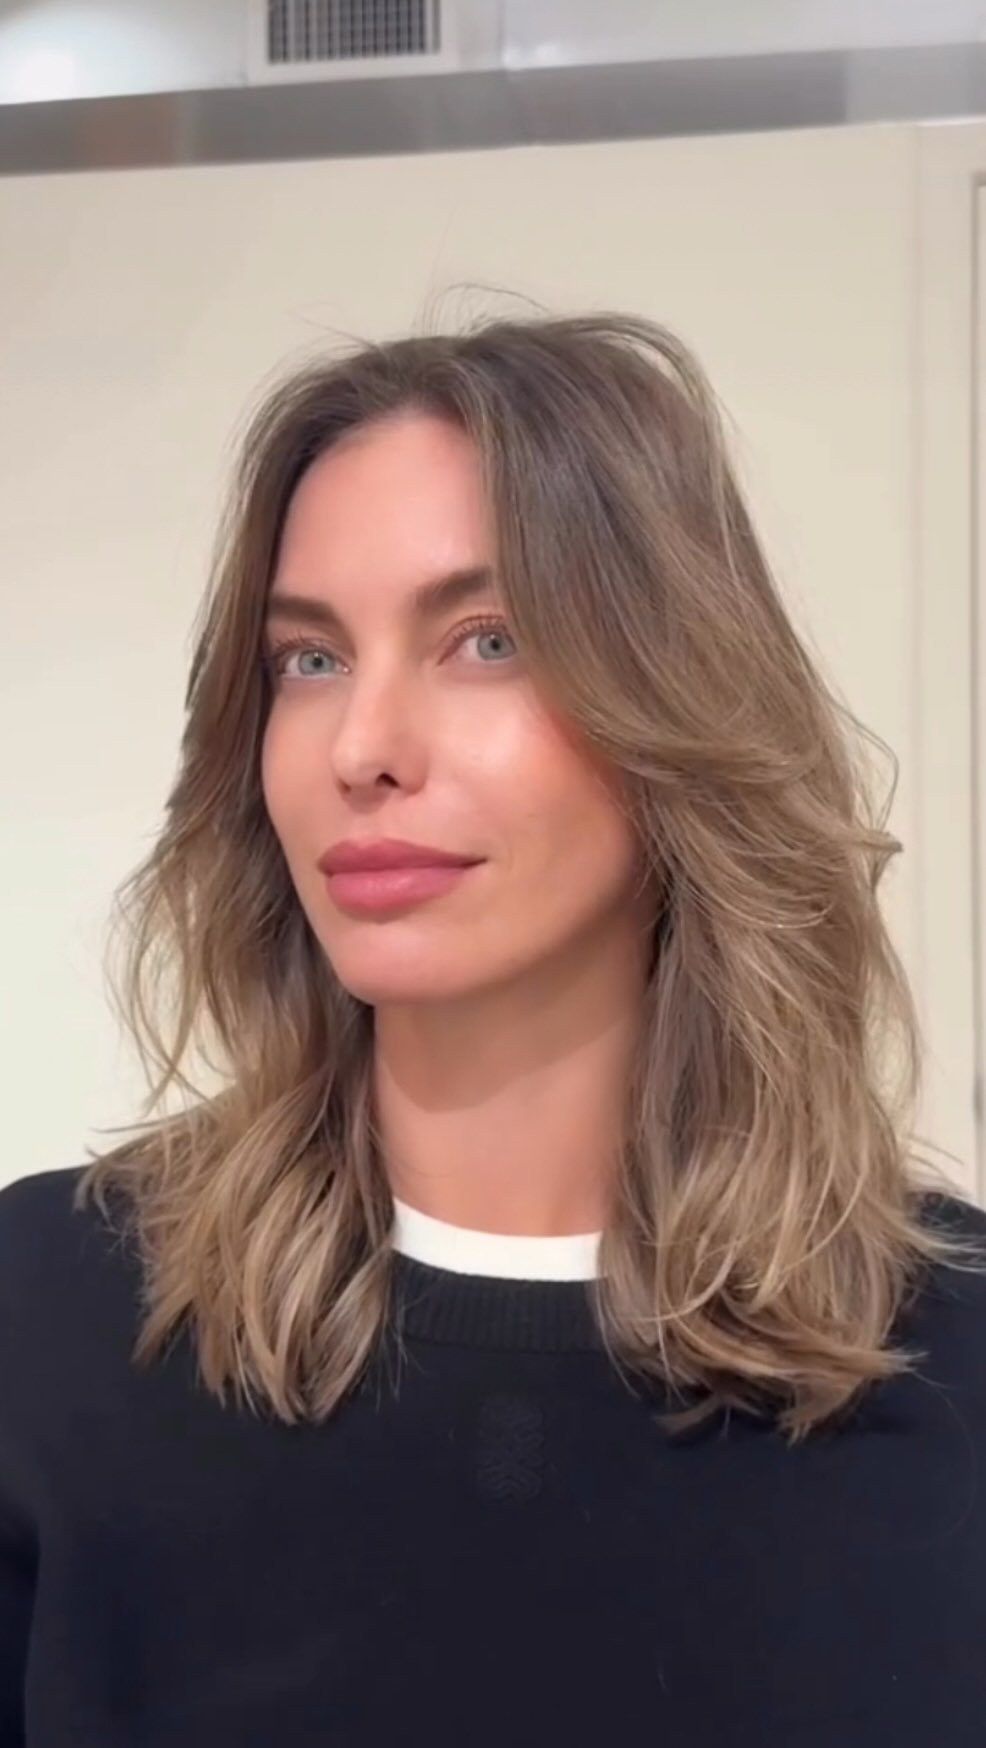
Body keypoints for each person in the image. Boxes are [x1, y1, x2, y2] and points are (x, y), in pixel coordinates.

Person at [1, 311, 985, 1747]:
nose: (361, 747)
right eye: (309, 660)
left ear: (676, 699)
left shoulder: (955, 1373)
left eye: (486, 640)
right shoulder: (43, 1320)